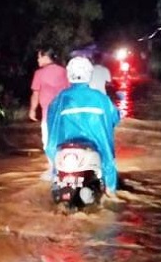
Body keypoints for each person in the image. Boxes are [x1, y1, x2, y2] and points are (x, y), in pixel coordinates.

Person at [46, 56, 121, 194]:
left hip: (65, 152)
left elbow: (50, 121)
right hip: (96, 148)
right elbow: (115, 117)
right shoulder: (100, 98)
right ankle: (110, 191)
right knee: (108, 164)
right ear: (89, 74)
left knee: (55, 174)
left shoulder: (60, 98)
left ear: (69, 74)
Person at [29, 47, 69, 178]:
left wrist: (32, 110)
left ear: (46, 57)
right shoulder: (63, 71)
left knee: (48, 141)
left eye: (39, 56)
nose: (37, 59)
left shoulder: (39, 74)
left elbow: (35, 94)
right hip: (64, 114)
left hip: (48, 114)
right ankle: (65, 168)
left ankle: (53, 169)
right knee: (62, 141)